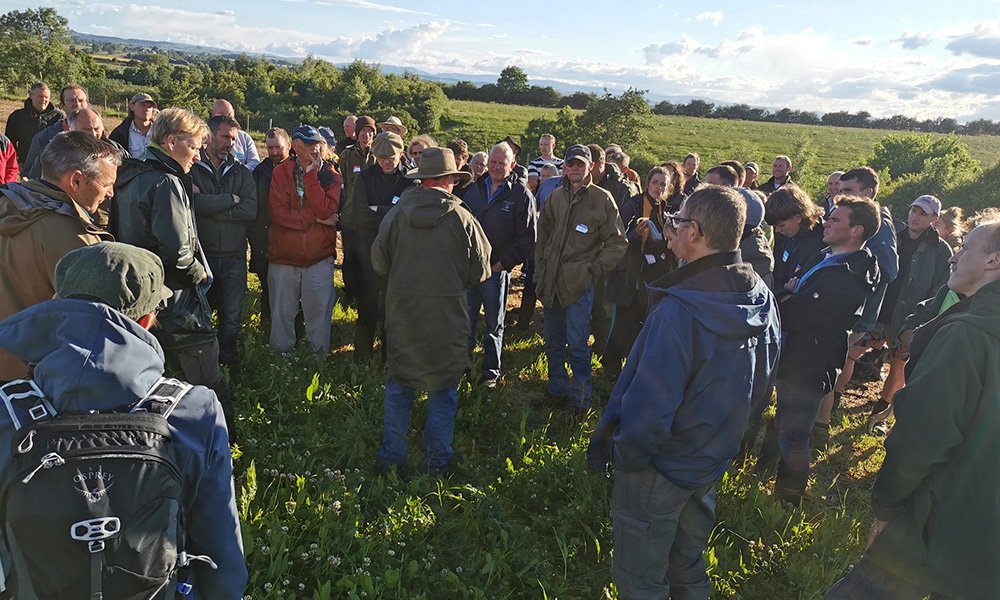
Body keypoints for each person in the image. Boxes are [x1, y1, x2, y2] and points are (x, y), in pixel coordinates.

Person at [0, 241, 248, 597]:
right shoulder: (194, 409)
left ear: (57, 305)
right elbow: (219, 544)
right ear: (147, 321)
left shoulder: (8, 410)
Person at [589, 185, 781, 600]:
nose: (670, 230)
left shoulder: (678, 312)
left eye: (676, 222)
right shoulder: (761, 297)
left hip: (659, 468)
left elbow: (647, 412)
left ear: (694, 232)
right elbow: (763, 382)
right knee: (688, 565)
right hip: (710, 459)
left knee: (641, 578)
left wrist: (627, 461)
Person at [824, 217, 1000, 600]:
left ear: (994, 261)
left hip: (936, 521)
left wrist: (886, 510)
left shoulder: (967, 335)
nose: (953, 257)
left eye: (965, 247)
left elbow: (922, 438)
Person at [112, 108, 237, 439]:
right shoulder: (166, 182)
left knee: (156, 380)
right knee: (206, 379)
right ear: (171, 142)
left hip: (141, 299)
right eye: (194, 146)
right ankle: (225, 447)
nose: (197, 156)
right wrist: (203, 277)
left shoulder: (130, 176)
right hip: (177, 301)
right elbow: (179, 255)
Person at [372, 147, 491, 476]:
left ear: (422, 179)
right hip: (447, 319)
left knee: (399, 389)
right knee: (443, 392)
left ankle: (390, 460)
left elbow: (379, 261)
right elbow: (480, 271)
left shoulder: (396, 214)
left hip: (404, 314)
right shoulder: (463, 218)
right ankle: (437, 465)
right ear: (450, 180)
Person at [771, 196, 881, 503]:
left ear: (856, 230)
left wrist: (789, 297)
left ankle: (788, 499)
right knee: (784, 422)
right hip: (799, 353)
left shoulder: (849, 275)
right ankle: (769, 478)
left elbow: (802, 314)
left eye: (835, 220)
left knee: (794, 435)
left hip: (811, 360)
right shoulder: (829, 257)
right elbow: (798, 297)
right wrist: (793, 294)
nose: (827, 223)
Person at [0, 132, 118, 382]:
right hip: (35, 378)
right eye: (106, 184)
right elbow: (94, 321)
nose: (111, 194)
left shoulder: (8, 203)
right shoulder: (70, 233)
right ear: (76, 180)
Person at [535, 144, 626, 412]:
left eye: (579, 164)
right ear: (565, 167)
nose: (574, 169)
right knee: (552, 340)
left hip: (578, 285)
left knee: (577, 344)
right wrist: (541, 267)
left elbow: (617, 242)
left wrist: (592, 270)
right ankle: (556, 390)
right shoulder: (555, 196)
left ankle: (580, 399)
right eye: (570, 164)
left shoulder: (602, 199)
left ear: (591, 166)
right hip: (551, 279)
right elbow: (544, 235)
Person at [867, 194, 952, 434]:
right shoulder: (893, 237)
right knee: (851, 351)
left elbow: (939, 290)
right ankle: (832, 402)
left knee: (898, 365)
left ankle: (880, 414)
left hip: (907, 316)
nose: (915, 216)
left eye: (922, 213)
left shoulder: (940, 251)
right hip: (880, 308)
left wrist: (919, 323)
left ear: (934, 219)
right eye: (914, 210)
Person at [463, 141, 537, 387]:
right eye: (492, 162)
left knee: (494, 324)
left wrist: (502, 264)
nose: (495, 167)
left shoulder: (521, 196)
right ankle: (464, 365)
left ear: (512, 165)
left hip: (495, 272)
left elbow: (527, 239)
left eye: (501, 163)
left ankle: (490, 373)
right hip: (471, 269)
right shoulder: (475, 189)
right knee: (466, 320)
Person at [190, 115, 257, 372]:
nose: (230, 142)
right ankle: (202, 366)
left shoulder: (241, 171)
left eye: (233, 138)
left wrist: (208, 205)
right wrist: (230, 198)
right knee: (199, 317)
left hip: (233, 256)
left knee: (231, 318)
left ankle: (227, 365)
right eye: (225, 136)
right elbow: (191, 204)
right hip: (201, 255)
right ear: (209, 136)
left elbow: (250, 210)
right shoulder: (192, 168)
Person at [267, 125, 341, 356]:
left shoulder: (330, 175)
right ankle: (280, 362)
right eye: (308, 145)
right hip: (283, 256)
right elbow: (279, 214)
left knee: (319, 314)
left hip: (318, 257)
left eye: (316, 144)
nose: (314, 149)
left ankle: (317, 361)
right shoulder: (280, 172)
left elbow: (328, 207)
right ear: (295, 147)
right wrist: (317, 218)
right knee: (281, 314)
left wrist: (311, 176)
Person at [343, 131, 414, 362]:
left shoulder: (411, 181)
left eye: (390, 158)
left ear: (401, 154)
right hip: (368, 253)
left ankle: (388, 362)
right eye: (381, 157)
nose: (385, 161)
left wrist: (378, 210)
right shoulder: (364, 177)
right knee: (367, 310)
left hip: (397, 255)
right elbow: (359, 214)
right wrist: (391, 212)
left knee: (392, 314)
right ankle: (361, 361)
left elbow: (408, 217)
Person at [603, 165, 677, 380]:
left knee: (644, 325)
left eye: (663, 184)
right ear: (647, 183)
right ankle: (610, 369)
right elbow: (618, 240)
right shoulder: (633, 206)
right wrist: (635, 234)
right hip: (630, 275)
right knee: (622, 324)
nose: (658, 187)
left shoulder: (667, 210)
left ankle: (634, 369)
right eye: (655, 182)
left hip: (655, 277)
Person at [249, 127, 291, 322]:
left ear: (288, 146)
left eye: (278, 147)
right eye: (270, 147)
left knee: (290, 287)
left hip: (290, 237)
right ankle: (267, 327)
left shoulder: (297, 169)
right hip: (264, 237)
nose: (274, 152)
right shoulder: (261, 170)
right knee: (267, 284)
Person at [339, 116, 377, 307]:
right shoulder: (347, 156)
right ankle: (349, 292)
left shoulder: (377, 156)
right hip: (350, 216)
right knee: (349, 257)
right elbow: (344, 183)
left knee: (369, 257)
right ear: (357, 133)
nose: (366, 135)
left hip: (370, 217)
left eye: (370, 132)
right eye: (363, 131)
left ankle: (366, 293)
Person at [765, 185, 827, 291]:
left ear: (798, 218)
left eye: (781, 225)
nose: (777, 230)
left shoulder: (823, 241)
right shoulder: (789, 233)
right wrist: (782, 292)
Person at [21, 83, 90, 176]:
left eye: (81, 100)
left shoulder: (99, 136)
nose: (77, 104)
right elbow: (30, 176)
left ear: (88, 104)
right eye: (71, 100)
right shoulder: (44, 139)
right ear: (62, 105)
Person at [5, 82, 59, 164]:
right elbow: (9, 142)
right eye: (40, 96)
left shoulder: (58, 116)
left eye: (46, 97)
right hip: (25, 164)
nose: (44, 100)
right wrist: (15, 162)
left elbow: (63, 143)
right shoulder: (17, 116)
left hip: (50, 166)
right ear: (31, 96)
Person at [209, 99, 260, 170]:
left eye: (229, 114)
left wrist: (236, 172)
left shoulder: (244, 138)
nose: (226, 118)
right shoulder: (202, 137)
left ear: (234, 112)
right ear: (212, 113)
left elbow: (254, 163)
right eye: (221, 115)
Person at [109, 92, 158, 158]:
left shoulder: (161, 132)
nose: (146, 109)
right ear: (132, 107)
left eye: (149, 106)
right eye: (143, 105)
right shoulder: (119, 134)